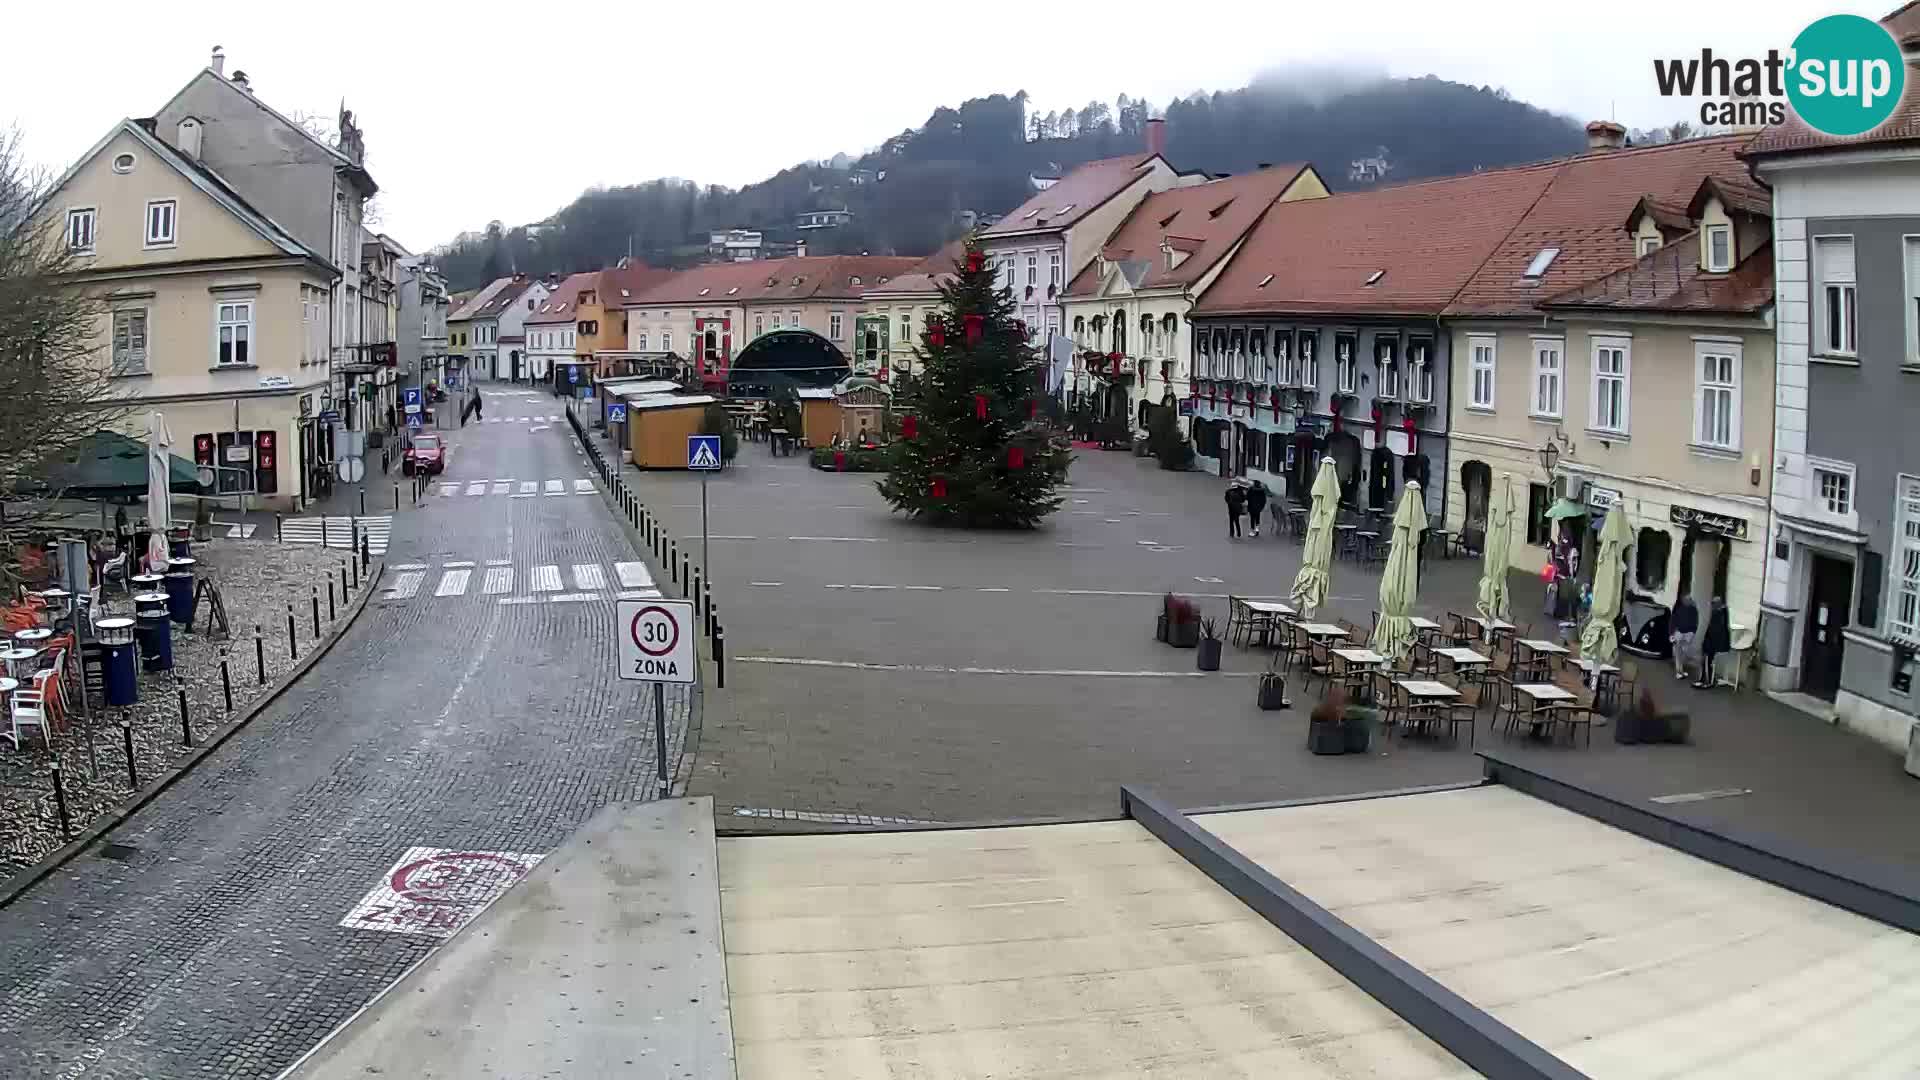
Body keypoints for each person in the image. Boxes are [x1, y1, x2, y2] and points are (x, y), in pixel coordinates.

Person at [1697, 595, 1731, 690]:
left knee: (1707, 660)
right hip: (1712, 641)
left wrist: (1707, 642)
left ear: (1718, 604)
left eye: (1713, 603)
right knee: (1706, 661)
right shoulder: (1719, 612)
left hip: (1712, 642)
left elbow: (1715, 630)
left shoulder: (1719, 613)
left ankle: (1707, 680)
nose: (1712, 605)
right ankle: (1704, 679)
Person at [1670, 594, 1700, 681]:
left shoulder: (1693, 609)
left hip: (1687, 633)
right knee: (1679, 652)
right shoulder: (1679, 607)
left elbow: (1696, 621)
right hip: (1680, 632)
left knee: (1683, 653)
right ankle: (1679, 672)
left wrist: (1693, 632)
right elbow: (1674, 620)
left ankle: (1680, 671)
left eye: (1688, 600)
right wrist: (1672, 633)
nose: (1687, 601)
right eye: (1686, 599)